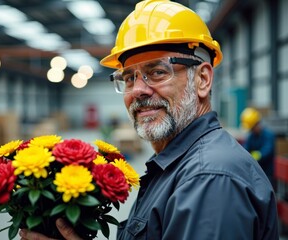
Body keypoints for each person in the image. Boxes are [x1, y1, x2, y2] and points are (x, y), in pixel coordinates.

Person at [19, 0, 279, 239]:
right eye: (129, 77)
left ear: (202, 80)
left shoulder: (208, 180)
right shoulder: (177, 165)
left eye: (156, 72)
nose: (138, 90)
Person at [240, 107, 276, 189]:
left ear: (257, 124)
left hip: (267, 175)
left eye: (252, 128)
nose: (251, 131)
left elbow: (267, 150)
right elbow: (246, 147)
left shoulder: (269, 135)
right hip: (255, 174)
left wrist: (258, 155)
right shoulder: (251, 136)